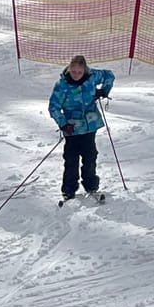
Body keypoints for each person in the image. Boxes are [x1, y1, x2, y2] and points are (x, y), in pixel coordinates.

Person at [49, 54, 116, 200]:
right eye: (73, 72)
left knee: (90, 156)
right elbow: (53, 107)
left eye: (79, 72)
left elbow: (109, 75)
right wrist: (63, 124)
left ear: (84, 70)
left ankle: (91, 185)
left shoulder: (92, 77)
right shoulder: (62, 85)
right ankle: (69, 189)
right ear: (69, 69)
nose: (76, 75)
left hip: (89, 125)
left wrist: (104, 90)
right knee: (71, 159)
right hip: (71, 128)